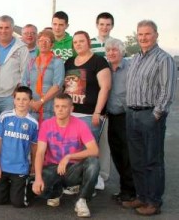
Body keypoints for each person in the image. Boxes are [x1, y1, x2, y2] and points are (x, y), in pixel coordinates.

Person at [123, 20, 176, 216]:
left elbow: (167, 91)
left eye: (147, 34)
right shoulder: (135, 58)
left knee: (152, 161)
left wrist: (155, 115)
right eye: (140, 34)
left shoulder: (164, 59)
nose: (143, 38)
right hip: (132, 114)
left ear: (156, 35)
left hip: (150, 115)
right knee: (136, 160)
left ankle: (154, 202)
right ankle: (142, 196)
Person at [32, 93, 100, 218]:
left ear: (71, 109)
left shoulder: (80, 124)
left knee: (93, 162)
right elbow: (40, 153)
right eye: (57, 106)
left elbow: (95, 150)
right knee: (39, 189)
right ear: (53, 108)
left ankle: (82, 200)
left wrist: (69, 156)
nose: (60, 109)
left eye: (64, 106)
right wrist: (37, 178)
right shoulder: (46, 125)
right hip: (52, 168)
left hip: (72, 169)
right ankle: (57, 191)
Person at [63, 31, 111, 191]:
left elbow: (105, 87)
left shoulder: (98, 61)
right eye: (75, 42)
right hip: (71, 114)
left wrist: (98, 112)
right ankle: (76, 180)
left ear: (88, 42)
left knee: (89, 149)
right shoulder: (69, 62)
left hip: (90, 114)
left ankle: (92, 180)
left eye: (81, 41)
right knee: (73, 149)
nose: (78, 44)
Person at [0, 86, 39, 208]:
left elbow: (34, 147)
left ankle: (28, 185)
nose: (21, 102)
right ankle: (9, 188)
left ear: (30, 101)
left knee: (18, 203)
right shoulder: (4, 116)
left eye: (24, 99)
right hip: (2, 166)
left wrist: (33, 165)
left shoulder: (33, 123)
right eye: (18, 99)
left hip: (20, 168)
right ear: (14, 100)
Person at [103, 39, 135, 203]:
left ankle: (130, 192)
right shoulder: (106, 69)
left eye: (115, 50)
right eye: (108, 51)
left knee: (127, 155)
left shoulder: (130, 67)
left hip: (127, 117)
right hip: (112, 117)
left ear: (122, 51)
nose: (111, 53)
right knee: (116, 154)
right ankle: (125, 189)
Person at [0, 15, 30, 115]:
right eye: (0, 27)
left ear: (12, 29)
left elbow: (25, 73)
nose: (3, 31)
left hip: (9, 98)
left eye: (7, 28)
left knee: (8, 128)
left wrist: (18, 92)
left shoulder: (22, 48)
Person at [21, 30, 64, 122]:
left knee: (47, 135)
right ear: (37, 43)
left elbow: (57, 86)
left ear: (52, 45)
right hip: (31, 108)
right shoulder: (31, 62)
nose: (43, 44)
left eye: (47, 41)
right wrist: (32, 102)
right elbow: (24, 83)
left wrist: (40, 102)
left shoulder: (58, 62)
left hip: (49, 109)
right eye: (41, 41)